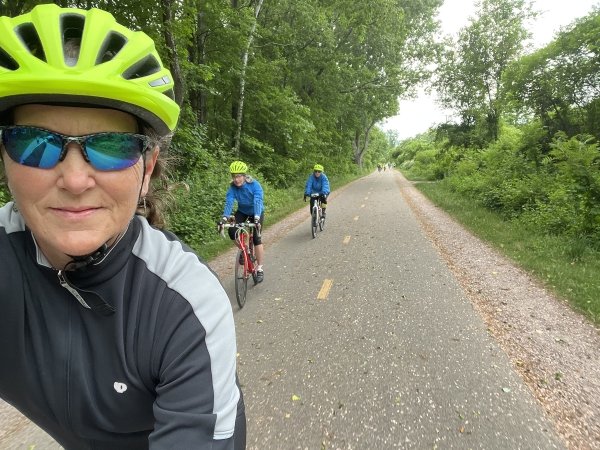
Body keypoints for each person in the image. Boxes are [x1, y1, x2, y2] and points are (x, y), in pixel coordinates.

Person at [0, 4, 245, 450]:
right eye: (35, 144)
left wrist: (253, 217)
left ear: (147, 168)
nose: (75, 181)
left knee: (255, 234)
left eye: (111, 146)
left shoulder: (187, 306)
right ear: (5, 159)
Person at [221, 161, 265, 283]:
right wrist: (224, 218)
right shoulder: (233, 188)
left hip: (256, 211)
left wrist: (256, 218)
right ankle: (243, 249)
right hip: (242, 211)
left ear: (244, 176)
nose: (236, 179)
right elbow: (229, 202)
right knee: (232, 231)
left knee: (257, 238)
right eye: (234, 176)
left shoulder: (255, 185)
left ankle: (260, 268)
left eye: (239, 176)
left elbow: (257, 201)